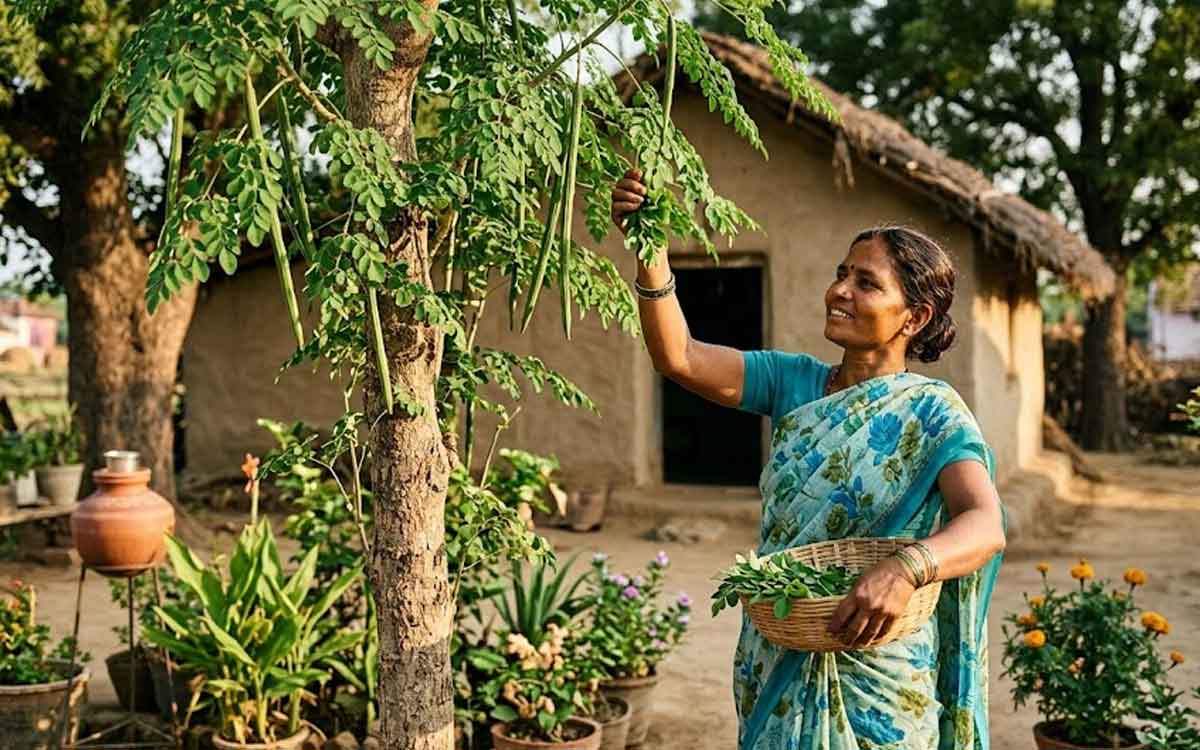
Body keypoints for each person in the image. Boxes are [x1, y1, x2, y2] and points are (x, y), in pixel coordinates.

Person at [610, 168, 1007, 750]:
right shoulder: (791, 382)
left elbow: (985, 523)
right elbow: (681, 357)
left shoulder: (933, 413)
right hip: (781, 650)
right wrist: (650, 252)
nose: (840, 290)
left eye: (866, 283)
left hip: (882, 670)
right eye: (841, 274)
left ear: (914, 317)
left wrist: (905, 569)